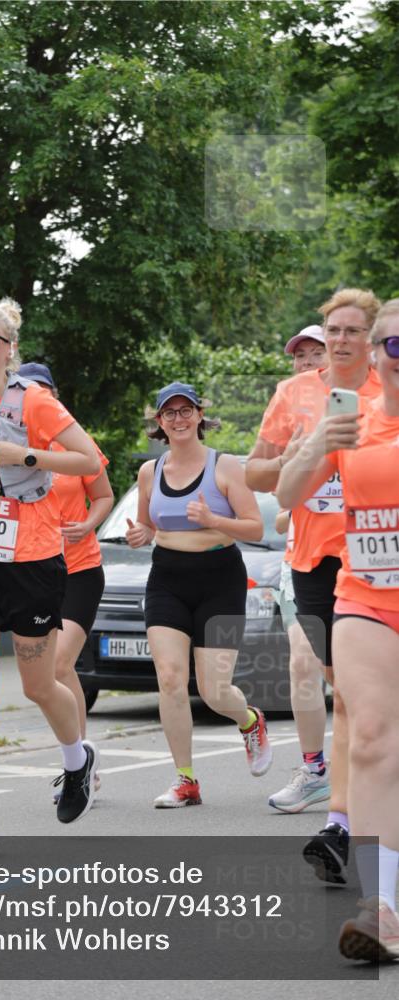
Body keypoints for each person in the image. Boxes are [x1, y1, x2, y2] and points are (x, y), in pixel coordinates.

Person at [0, 298, 101, 849]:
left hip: (32, 561)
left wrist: (28, 455)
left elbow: (90, 461)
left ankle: (77, 760)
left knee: (39, 685)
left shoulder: (34, 403)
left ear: (10, 350)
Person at [277, 299, 399, 961]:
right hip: (366, 597)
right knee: (374, 737)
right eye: (393, 346)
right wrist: (318, 444)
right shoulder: (350, 416)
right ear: (379, 355)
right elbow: (288, 494)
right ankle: (379, 909)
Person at [246, 288, 382, 881]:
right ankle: (346, 807)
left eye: (354, 331)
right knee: (343, 689)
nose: (342, 340)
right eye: (335, 330)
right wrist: (300, 454)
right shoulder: (295, 393)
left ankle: (341, 822)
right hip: (313, 560)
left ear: (372, 339)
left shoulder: (388, 390)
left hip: (369, 559)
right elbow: (259, 474)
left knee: (354, 695)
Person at [125, 381, 271, 808]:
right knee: (170, 679)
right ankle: (185, 779)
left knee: (213, 691)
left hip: (219, 579)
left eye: (186, 410)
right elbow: (148, 527)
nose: (178, 418)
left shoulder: (224, 467)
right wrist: (140, 534)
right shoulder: (149, 473)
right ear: (159, 423)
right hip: (167, 578)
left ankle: (249, 720)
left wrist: (212, 518)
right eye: (169, 412)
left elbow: (254, 528)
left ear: (200, 416)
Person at [18, 363, 114, 802]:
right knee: (52, 674)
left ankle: (80, 766)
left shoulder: (76, 444)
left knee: (59, 666)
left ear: (54, 398)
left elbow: (105, 496)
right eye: (26, 391)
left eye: (43, 392)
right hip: (35, 570)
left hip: (80, 568)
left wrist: (88, 525)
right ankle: (81, 760)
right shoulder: (10, 448)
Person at [270, 323, 328, 814]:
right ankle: (315, 768)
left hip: (362, 560)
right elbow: (273, 492)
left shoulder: (365, 411)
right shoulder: (288, 415)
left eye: (317, 353)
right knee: (303, 662)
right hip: (301, 559)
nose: (306, 362)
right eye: (299, 356)